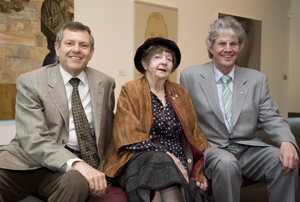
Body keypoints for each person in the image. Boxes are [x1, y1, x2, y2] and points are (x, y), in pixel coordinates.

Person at [180, 16, 299, 202]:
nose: (228, 49)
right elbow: (185, 124)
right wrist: (193, 165)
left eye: (233, 44)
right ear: (210, 47)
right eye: (222, 44)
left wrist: (287, 142)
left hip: (247, 148)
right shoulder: (190, 77)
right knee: (227, 164)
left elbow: (271, 117)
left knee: (284, 160)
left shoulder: (257, 79)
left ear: (240, 47)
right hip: (212, 150)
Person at [0, 21, 115, 202]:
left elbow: (107, 133)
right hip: (25, 163)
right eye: (69, 43)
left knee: (77, 183)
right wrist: (77, 164)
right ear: (57, 48)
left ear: (91, 52)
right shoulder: (31, 81)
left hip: (63, 173)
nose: (76, 50)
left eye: (83, 45)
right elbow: (34, 139)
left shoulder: (105, 83)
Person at [104, 37, 211, 202]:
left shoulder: (180, 92)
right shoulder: (130, 90)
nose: (164, 62)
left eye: (169, 59)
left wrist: (198, 169)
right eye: (158, 57)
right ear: (145, 64)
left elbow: (194, 134)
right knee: (159, 162)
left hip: (179, 161)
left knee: (159, 186)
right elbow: (128, 136)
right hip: (137, 158)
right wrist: (169, 156)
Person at [41, 0, 74, 66]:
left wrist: (72, 11)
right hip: (53, 35)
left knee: (65, 57)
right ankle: (44, 72)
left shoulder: (69, 3)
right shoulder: (47, 4)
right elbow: (44, 25)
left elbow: (81, 17)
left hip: (67, 35)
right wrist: (53, 36)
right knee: (55, 55)